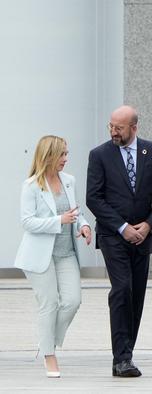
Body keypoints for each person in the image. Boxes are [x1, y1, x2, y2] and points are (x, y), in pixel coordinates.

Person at [86, 105, 152, 377]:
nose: (113, 131)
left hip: (142, 238)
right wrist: (122, 227)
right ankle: (121, 358)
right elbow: (94, 198)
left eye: (119, 127)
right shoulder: (99, 155)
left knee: (136, 296)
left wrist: (148, 226)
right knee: (121, 290)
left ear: (134, 127)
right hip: (113, 235)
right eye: (111, 126)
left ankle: (126, 353)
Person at [15, 135, 92, 378]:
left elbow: (75, 212)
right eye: (62, 154)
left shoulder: (69, 180)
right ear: (48, 156)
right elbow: (27, 222)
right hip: (40, 255)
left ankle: (46, 340)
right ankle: (49, 355)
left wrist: (84, 225)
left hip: (66, 252)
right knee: (49, 304)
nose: (66, 159)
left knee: (72, 301)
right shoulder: (31, 185)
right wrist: (59, 220)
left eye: (67, 154)